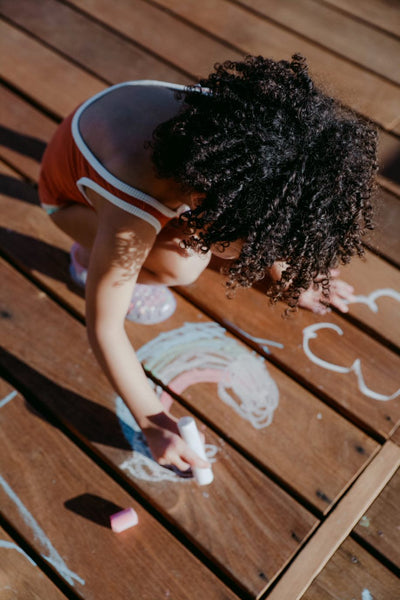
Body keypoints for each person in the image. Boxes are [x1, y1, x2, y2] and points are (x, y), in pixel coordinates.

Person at [38, 55, 378, 474]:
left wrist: (290, 268)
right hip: (68, 197)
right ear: (210, 202)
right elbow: (104, 327)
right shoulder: (136, 200)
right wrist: (152, 421)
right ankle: (87, 257)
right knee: (182, 266)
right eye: (257, 244)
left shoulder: (245, 135)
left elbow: (274, 200)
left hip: (108, 129)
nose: (266, 254)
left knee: (204, 247)